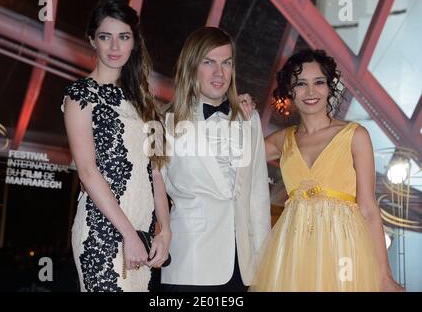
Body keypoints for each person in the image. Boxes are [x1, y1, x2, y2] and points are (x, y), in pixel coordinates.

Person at [241, 48, 403, 291]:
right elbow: (236, 158)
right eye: (300, 84)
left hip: (343, 250)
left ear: (330, 87)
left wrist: (385, 276)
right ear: (289, 90)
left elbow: (368, 208)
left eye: (318, 82)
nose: (310, 92)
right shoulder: (281, 140)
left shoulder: (355, 135)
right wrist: (243, 118)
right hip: (293, 253)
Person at [62, 0, 171, 292]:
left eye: (123, 37)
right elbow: (86, 171)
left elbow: (157, 172)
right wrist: (128, 235)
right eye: (105, 37)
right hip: (103, 228)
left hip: (143, 227)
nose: (114, 46)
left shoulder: (148, 104)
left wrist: (165, 230)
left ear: (134, 43)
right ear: (92, 41)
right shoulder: (80, 94)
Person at [160, 27, 271, 291]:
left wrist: (263, 265)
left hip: (242, 269)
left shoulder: (249, 118)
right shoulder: (164, 123)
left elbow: (258, 197)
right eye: (208, 62)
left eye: (226, 63)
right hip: (190, 263)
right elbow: (151, 192)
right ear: (191, 66)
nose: (219, 73)